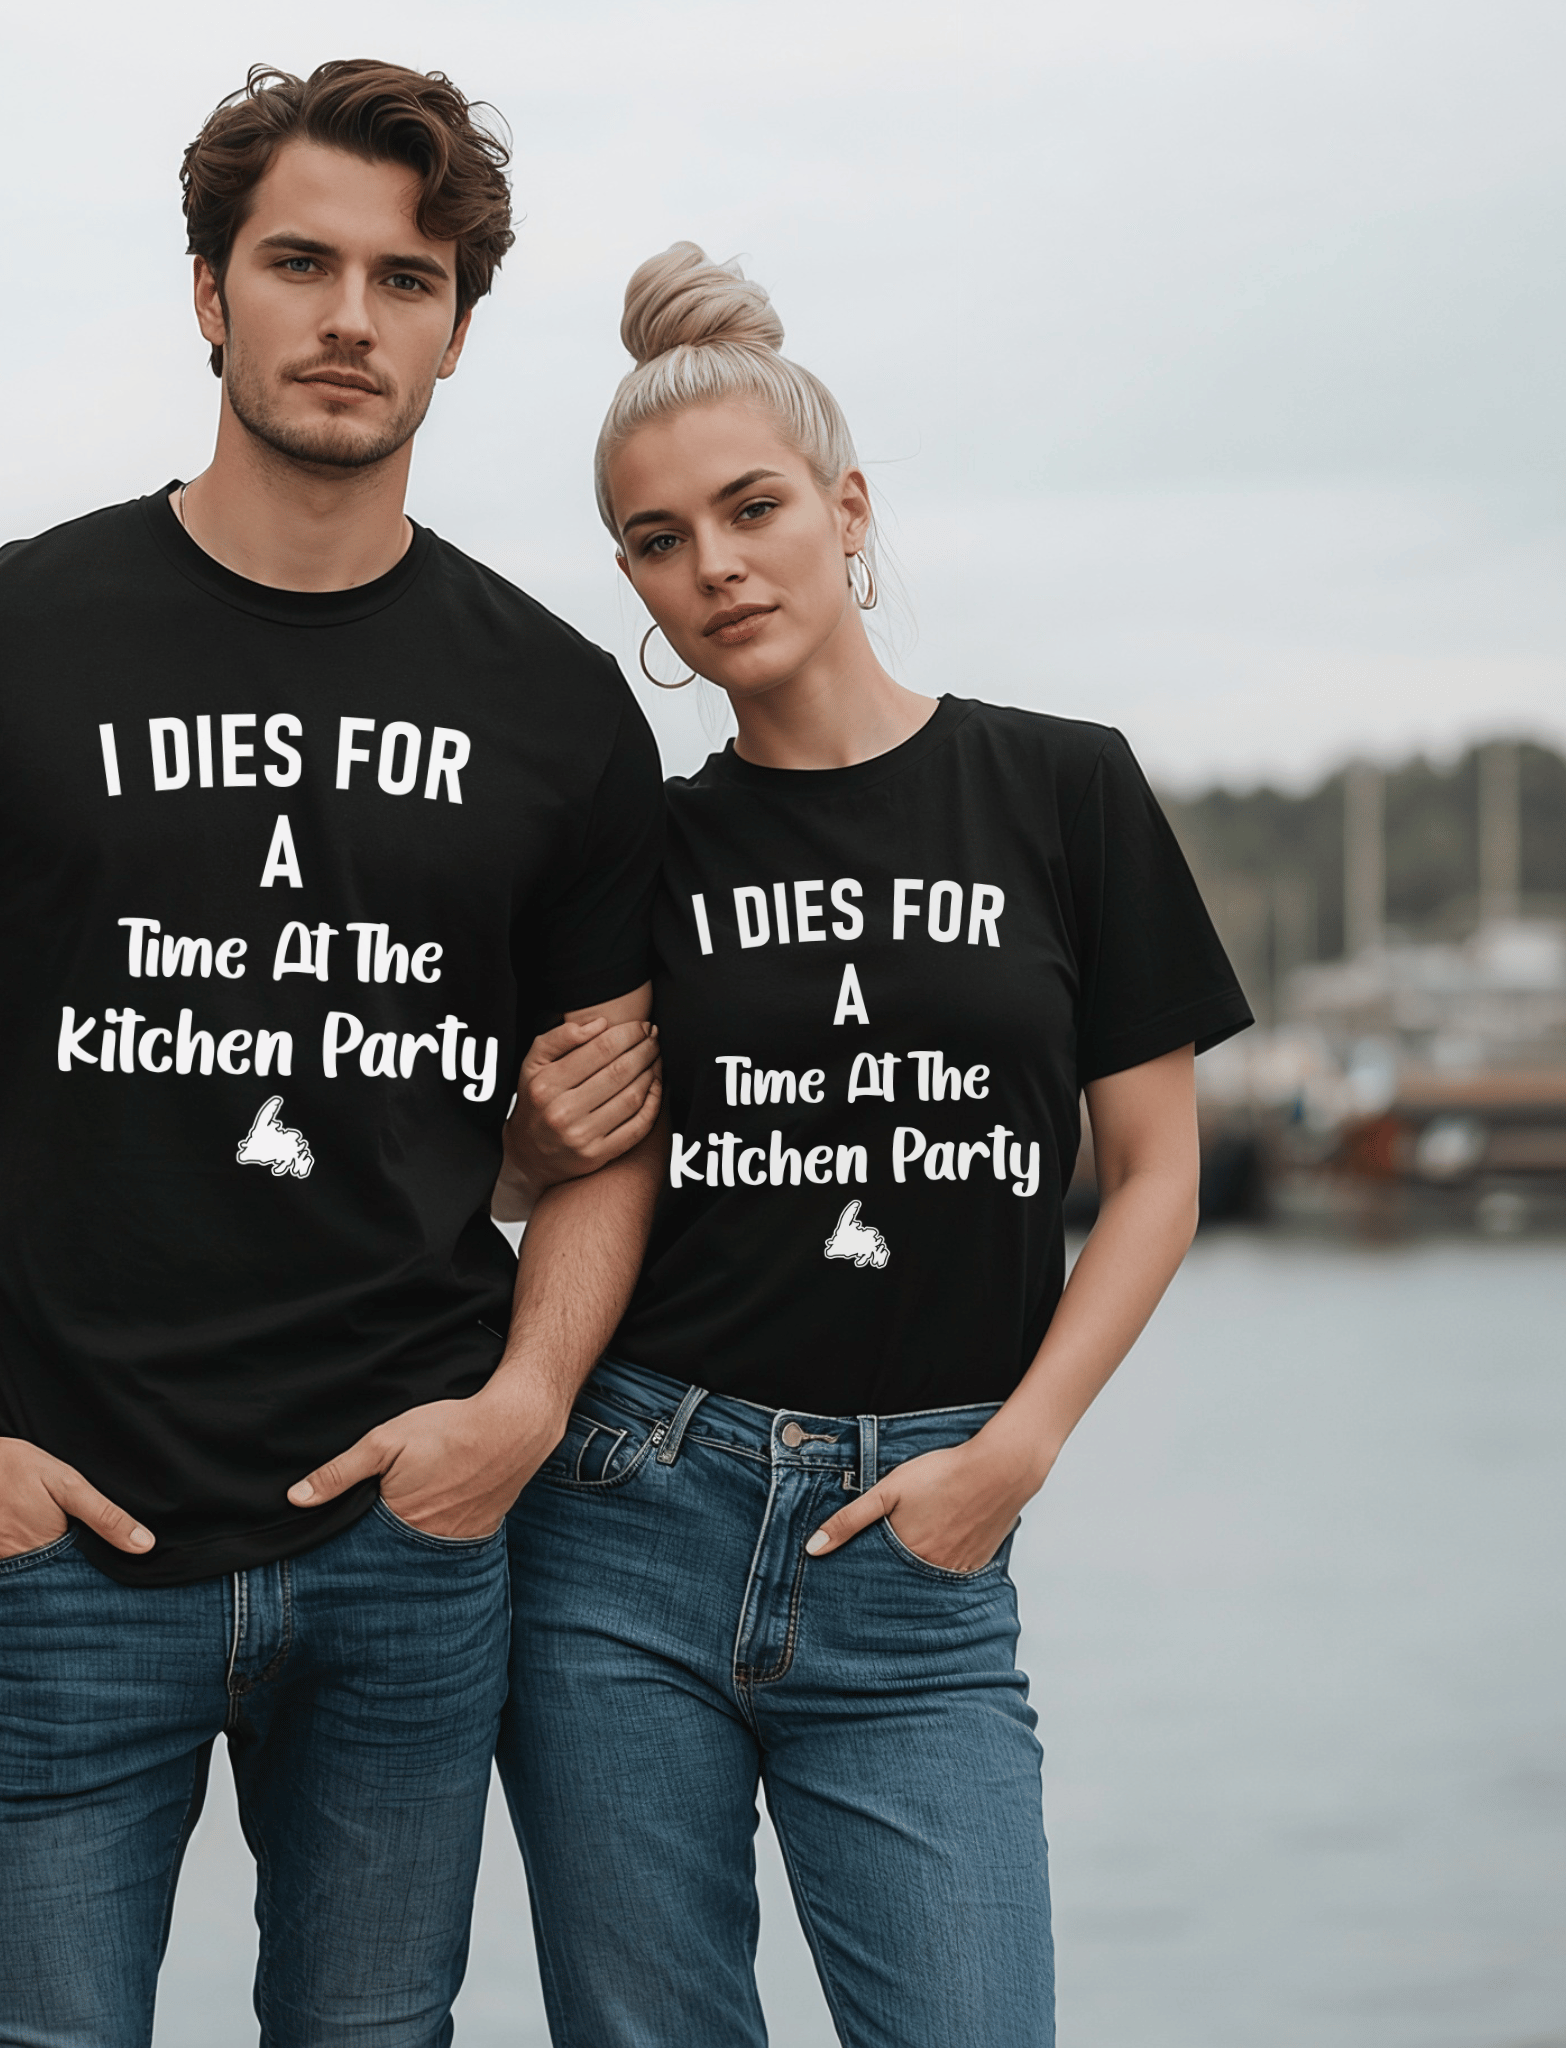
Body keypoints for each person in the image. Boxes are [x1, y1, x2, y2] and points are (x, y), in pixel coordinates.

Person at [0, 61, 664, 2048]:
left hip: (406, 1550)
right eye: (299, 262)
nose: (351, 315)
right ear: (209, 293)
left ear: (455, 327)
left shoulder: (555, 707)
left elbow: (611, 1132)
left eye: (406, 277)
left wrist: (516, 1415)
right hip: (55, 1543)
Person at [491, 244, 1253, 2048]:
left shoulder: (1061, 789)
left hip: (922, 1539)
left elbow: (1154, 1174)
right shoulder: (635, 855)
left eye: (751, 510)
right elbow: (545, 1170)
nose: (715, 568)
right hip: (624, 1523)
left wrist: (1020, 1449)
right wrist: (517, 1156)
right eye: (659, 543)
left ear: (846, 511)